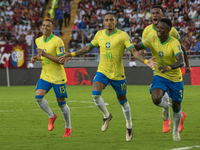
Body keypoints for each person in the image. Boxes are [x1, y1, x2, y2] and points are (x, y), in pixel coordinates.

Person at [59, 13, 157, 142]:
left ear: (115, 21)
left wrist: (145, 61)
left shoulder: (123, 35)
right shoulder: (99, 34)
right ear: (103, 22)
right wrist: (71, 54)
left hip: (118, 74)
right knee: (95, 94)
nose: (109, 22)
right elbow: (89, 47)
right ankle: (106, 115)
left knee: (123, 101)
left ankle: (129, 125)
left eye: (111, 20)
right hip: (103, 71)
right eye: (107, 20)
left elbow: (133, 51)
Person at [134, 18, 186, 141]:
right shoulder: (152, 39)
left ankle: (175, 131)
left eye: (162, 28)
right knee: (156, 98)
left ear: (169, 30)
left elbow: (180, 61)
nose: (159, 30)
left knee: (177, 106)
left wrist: (168, 67)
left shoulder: (174, 42)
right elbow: (136, 47)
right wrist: (126, 44)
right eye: (158, 28)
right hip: (160, 74)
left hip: (174, 77)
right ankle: (165, 107)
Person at [141, 5, 191, 133]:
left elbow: (181, 47)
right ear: (150, 16)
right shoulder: (147, 31)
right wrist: (143, 57)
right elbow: (142, 47)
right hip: (157, 68)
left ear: (162, 15)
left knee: (172, 98)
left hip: (171, 68)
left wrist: (187, 63)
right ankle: (166, 116)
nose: (155, 15)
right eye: (153, 13)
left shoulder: (171, 31)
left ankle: (173, 116)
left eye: (158, 13)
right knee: (159, 96)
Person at [30, 19, 72, 137]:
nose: (45, 27)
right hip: (45, 76)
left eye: (48, 26)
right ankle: (51, 116)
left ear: (52, 28)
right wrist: (36, 58)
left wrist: (44, 54)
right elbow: (42, 57)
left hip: (58, 78)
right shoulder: (38, 40)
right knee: (38, 97)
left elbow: (60, 61)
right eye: (43, 25)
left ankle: (68, 128)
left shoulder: (57, 41)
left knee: (62, 104)